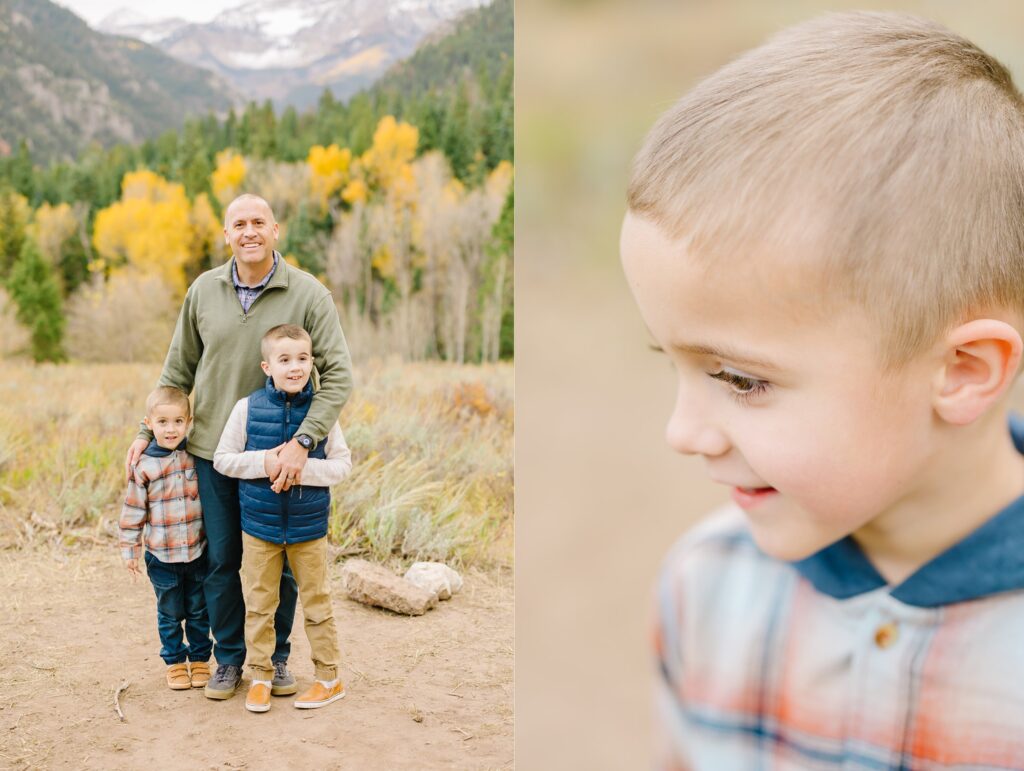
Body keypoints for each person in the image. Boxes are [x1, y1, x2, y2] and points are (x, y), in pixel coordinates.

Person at [620, 12, 1024, 769]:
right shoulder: (703, 589)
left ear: (963, 371)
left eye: (741, 378)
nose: (683, 430)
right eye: (669, 360)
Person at [124, 193, 353, 701]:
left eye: (258, 222)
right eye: (238, 224)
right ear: (227, 235)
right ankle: (228, 660)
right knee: (222, 561)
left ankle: (274, 662)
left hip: (283, 458)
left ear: (276, 230)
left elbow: (337, 376)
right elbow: (177, 371)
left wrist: (303, 444)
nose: (249, 231)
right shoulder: (203, 291)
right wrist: (146, 435)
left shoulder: (310, 295)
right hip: (212, 453)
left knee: (285, 562)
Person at [214, 324, 352, 712]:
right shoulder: (247, 408)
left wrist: (300, 468)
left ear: (312, 362)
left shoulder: (322, 413)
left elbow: (342, 466)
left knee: (317, 603)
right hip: (259, 528)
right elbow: (224, 460)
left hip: (309, 528)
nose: (295, 367)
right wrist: (267, 462)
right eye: (285, 359)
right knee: (260, 603)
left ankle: (329, 678)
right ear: (266, 366)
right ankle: (260, 677)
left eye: (303, 358)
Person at [120, 386, 212, 690]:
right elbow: (133, 511)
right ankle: (174, 661)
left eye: (177, 422)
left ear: (188, 422)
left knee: (199, 611)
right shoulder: (144, 465)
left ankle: (199, 659)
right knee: (170, 613)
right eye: (162, 422)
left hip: (197, 552)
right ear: (149, 424)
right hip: (162, 557)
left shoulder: (195, 457)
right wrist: (129, 551)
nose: (170, 429)